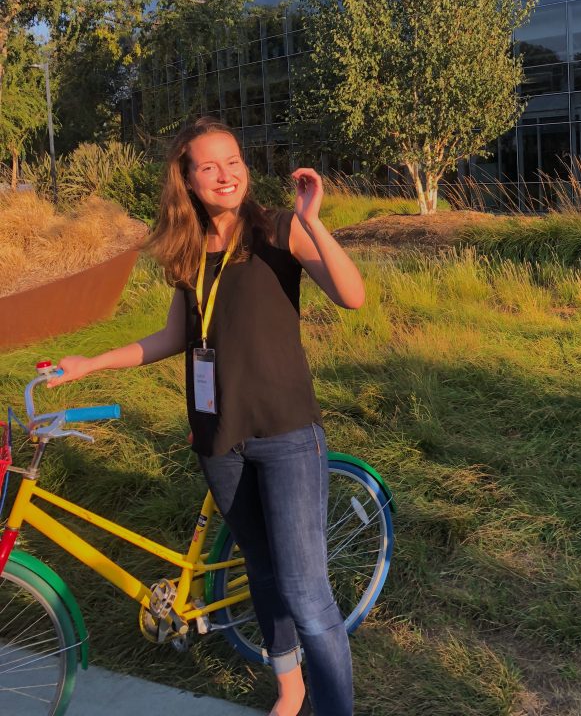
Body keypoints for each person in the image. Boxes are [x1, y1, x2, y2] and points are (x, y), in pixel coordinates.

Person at [49, 116, 365, 716]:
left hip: (287, 433)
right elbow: (174, 336)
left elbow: (352, 296)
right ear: (188, 180)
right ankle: (290, 689)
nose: (227, 174)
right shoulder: (189, 251)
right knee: (263, 567)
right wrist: (89, 363)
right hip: (219, 439)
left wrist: (315, 221)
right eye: (210, 166)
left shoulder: (281, 230)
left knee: (306, 590)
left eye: (234, 161)